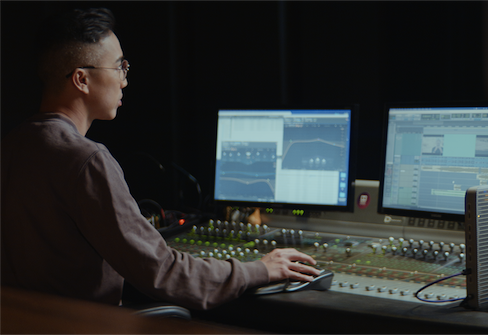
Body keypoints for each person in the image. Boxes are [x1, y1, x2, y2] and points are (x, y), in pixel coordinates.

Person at [0, 8, 319, 310]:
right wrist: (259, 270)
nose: (124, 80)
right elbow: (163, 272)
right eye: (119, 67)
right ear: (81, 79)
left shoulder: (12, 145)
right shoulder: (87, 161)